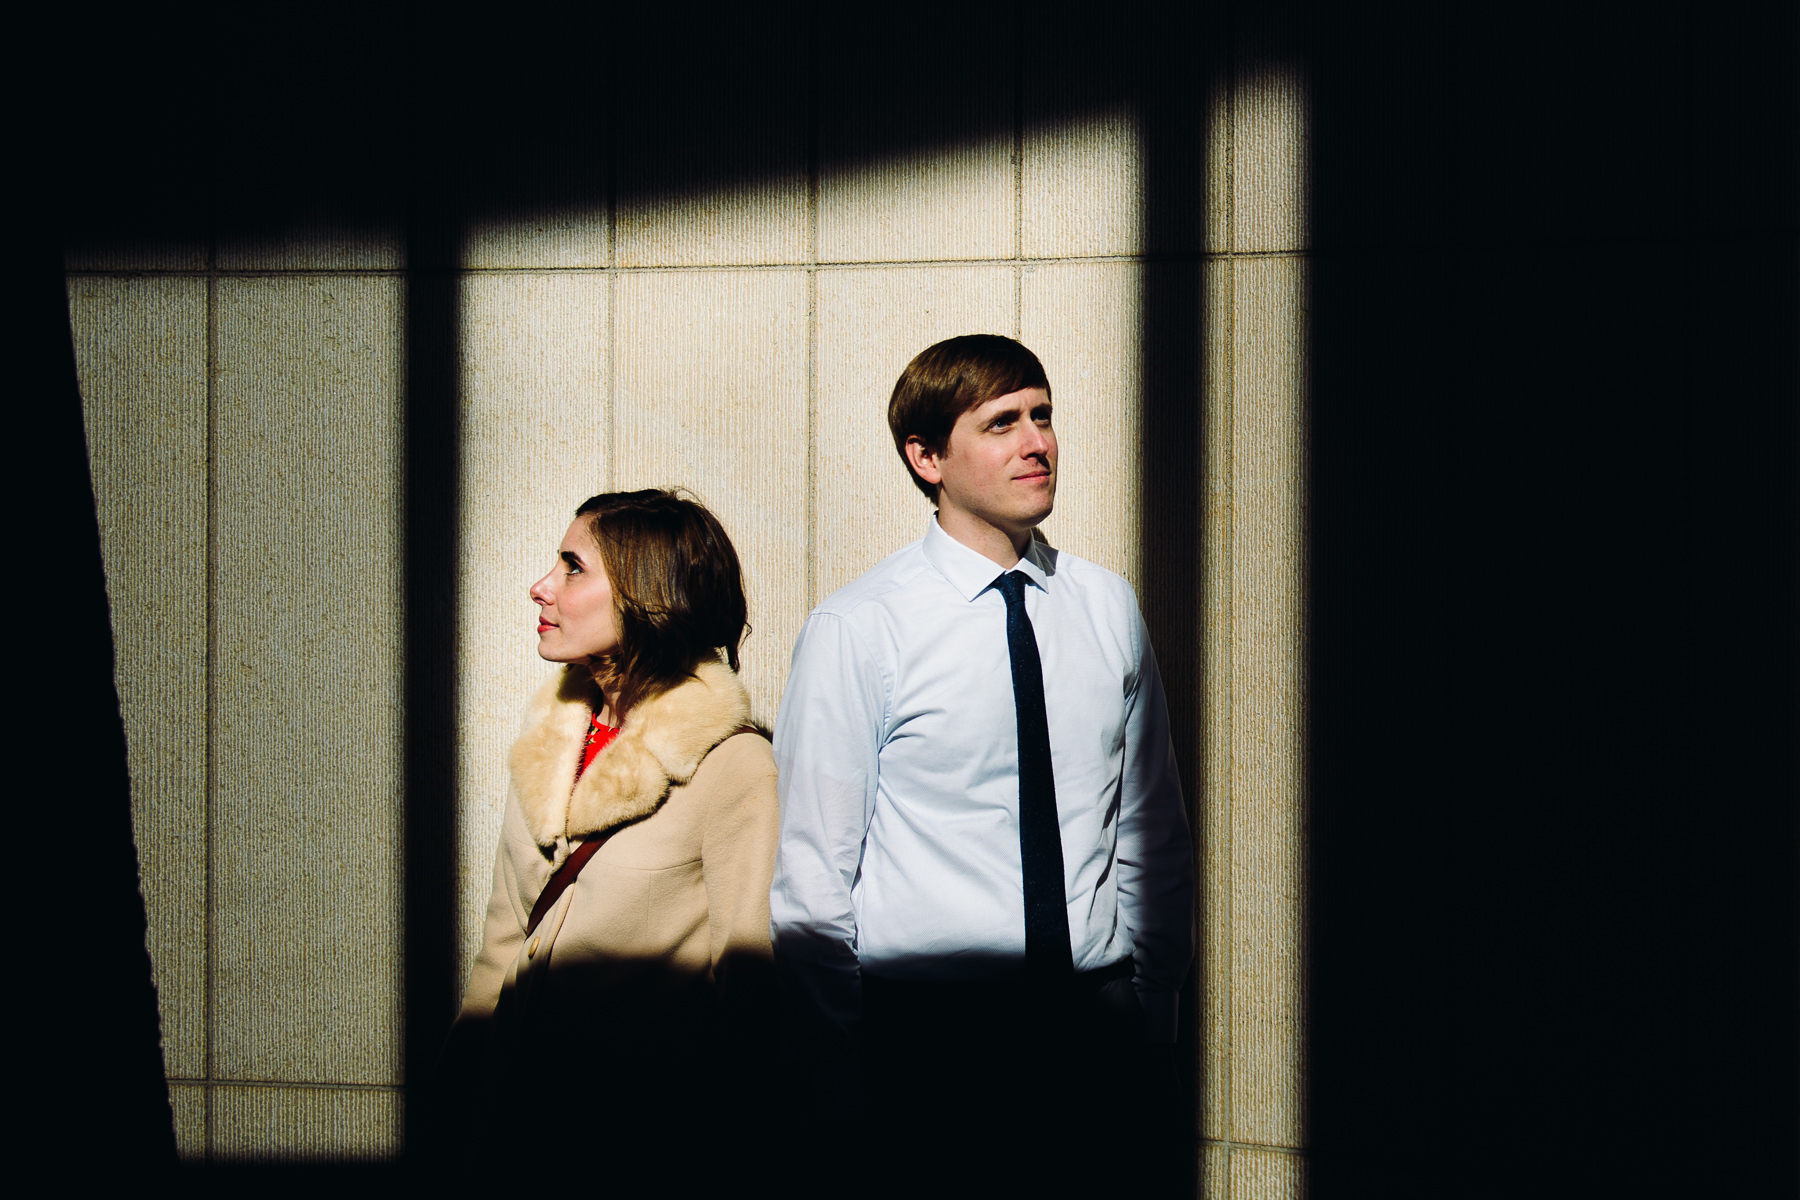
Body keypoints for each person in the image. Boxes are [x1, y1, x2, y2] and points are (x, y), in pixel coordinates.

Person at [769, 334, 1194, 1190]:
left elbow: (1148, 822)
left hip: (1094, 1021)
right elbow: (814, 875)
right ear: (926, 457)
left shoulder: (1104, 603)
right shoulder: (861, 628)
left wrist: (1154, 1015)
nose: (1036, 441)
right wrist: (836, 1060)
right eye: (1002, 422)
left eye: (1043, 416)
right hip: (932, 1039)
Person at [446, 488, 778, 1167]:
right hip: (511, 1132)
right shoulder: (551, 743)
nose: (541, 587)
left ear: (645, 594)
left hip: (641, 1140)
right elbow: (504, 943)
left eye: (573, 567)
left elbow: (747, 990)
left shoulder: (733, 764)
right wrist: (454, 1101)